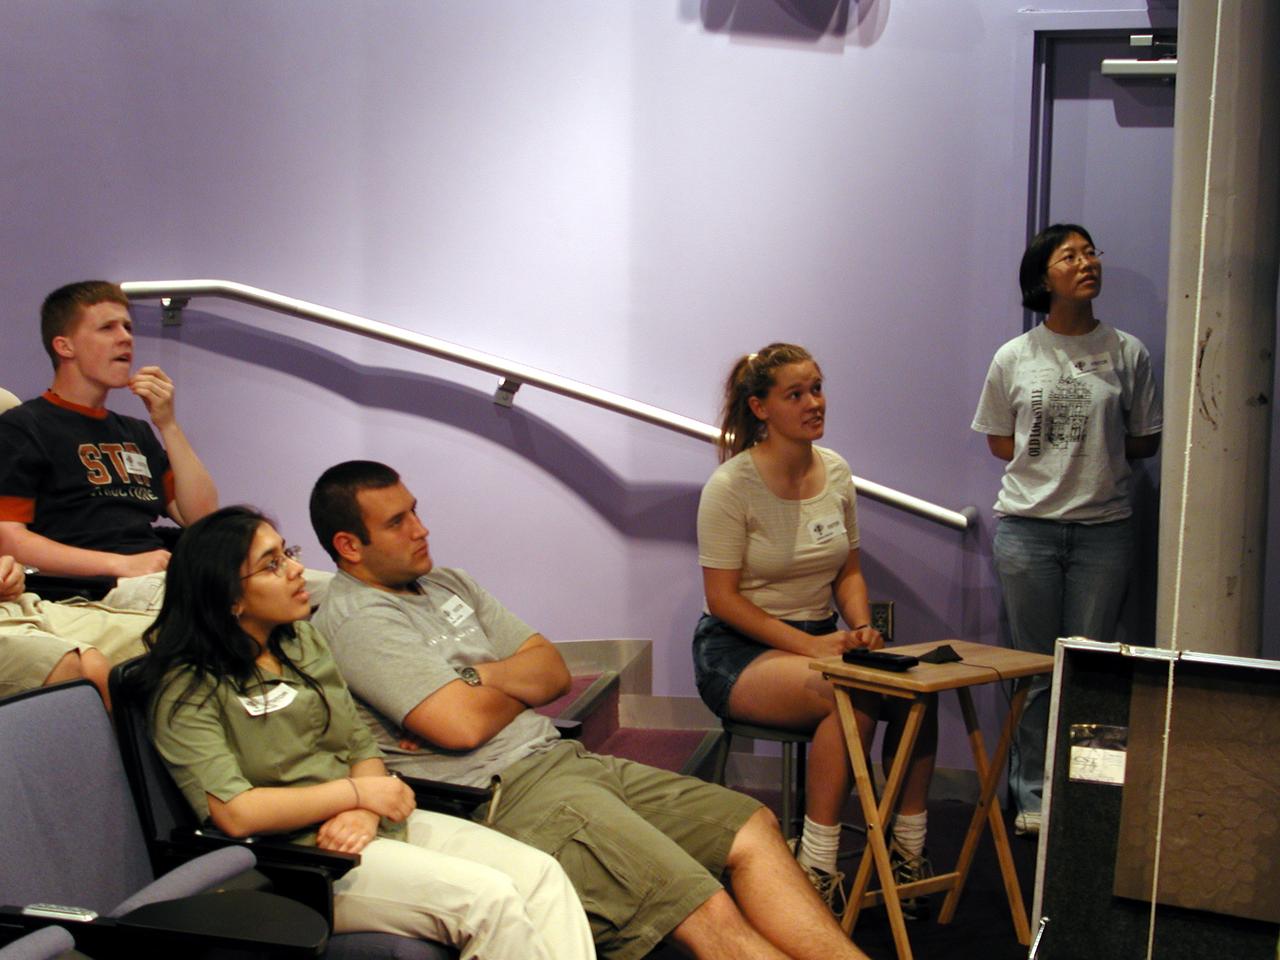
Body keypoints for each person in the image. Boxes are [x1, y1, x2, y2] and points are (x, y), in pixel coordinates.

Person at [309, 460, 874, 960]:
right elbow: (460, 726)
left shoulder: (448, 584)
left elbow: (552, 671)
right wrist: (508, 689)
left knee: (752, 825)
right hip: (509, 793)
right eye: (397, 522)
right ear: (350, 545)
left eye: (415, 511)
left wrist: (478, 681)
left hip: (563, 757)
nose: (421, 528)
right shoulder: (357, 619)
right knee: (699, 904)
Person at [133, 505, 596, 960]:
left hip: (366, 824)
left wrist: (364, 811)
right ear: (229, 596)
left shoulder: (300, 641)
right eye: (272, 565)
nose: (297, 570)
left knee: (540, 874)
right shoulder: (186, 686)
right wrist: (356, 795)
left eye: (287, 553)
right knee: (491, 900)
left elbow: (358, 744)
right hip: (298, 860)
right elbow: (236, 813)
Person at [692, 342, 937, 915]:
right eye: (795, 394)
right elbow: (722, 600)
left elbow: (848, 570)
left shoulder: (837, 471)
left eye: (818, 388)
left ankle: (907, 854)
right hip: (738, 651)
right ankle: (817, 866)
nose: (814, 403)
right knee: (851, 698)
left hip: (822, 639)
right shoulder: (731, 487)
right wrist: (815, 647)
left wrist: (859, 627)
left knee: (918, 691)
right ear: (760, 408)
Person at [971, 224, 1162, 835]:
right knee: (1034, 669)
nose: (1087, 263)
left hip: (1104, 531)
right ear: (1042, 278)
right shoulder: (1014, 356)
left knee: (1094, 672)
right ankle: (1033, 798)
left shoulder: (1127, 351)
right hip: (1028, 532)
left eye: (1091, 252)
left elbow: (1145, 438)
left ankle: (1088, 798)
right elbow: (1002, 440)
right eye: (1069, 255)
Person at [0, 281, 220, 703]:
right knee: (233, 615)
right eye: (107, 328)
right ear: (64, 346)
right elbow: (10, 537)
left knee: (305, 596)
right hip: (90, 587)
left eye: (128, 328)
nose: (125, 339)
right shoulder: (24, 426)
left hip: (153, 571)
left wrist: (167, 424)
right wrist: (124, 565)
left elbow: (201, 516)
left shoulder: (134, 431)